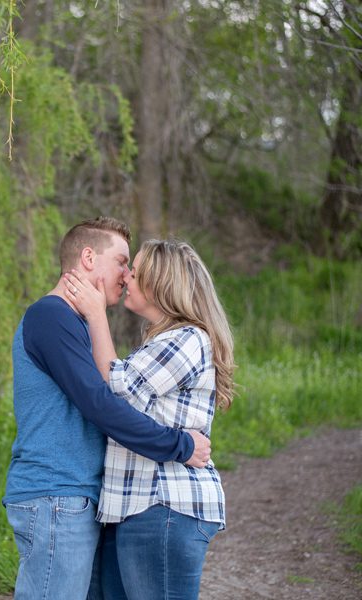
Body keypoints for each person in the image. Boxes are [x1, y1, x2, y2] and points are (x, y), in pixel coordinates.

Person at [3, 218, 212, 600]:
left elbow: (112, 391)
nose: (127, 274)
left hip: (76, 497)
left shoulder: (76, 323)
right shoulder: (51, 316)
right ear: (87, 258)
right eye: (121, 261)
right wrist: (179, 446)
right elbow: (102, 405)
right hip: (56, 494)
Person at [63, 238, 234, 600]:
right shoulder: (161, 341)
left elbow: (117, 389)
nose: (125, 277)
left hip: (165, 506)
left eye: (135, 272)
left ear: (159, 285)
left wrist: (96, 315)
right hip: (140, 508)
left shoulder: (187, 339)